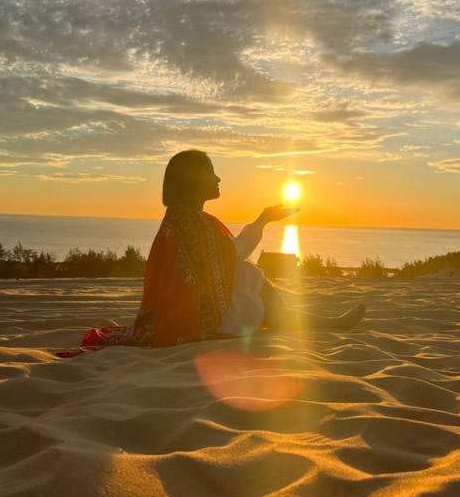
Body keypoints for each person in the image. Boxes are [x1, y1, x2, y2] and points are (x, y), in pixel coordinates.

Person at [67, 149, 365, 352]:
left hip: (186, 314)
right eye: (212, 172)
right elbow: (232, 255)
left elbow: (220, 262)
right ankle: (323, 324)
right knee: (248, 273)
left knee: (247, 275)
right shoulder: (189, 219)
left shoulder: (184, 216)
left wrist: (262, 220)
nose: (218, 179)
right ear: (194, 179)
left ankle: (320, 323)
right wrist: (263, 220)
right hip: (193, 322)